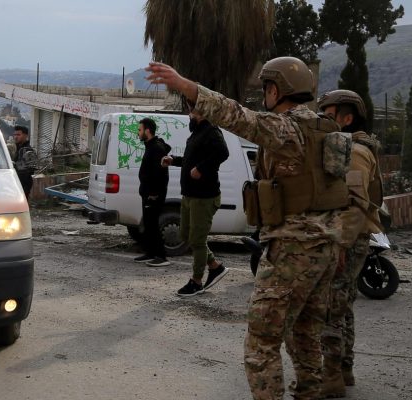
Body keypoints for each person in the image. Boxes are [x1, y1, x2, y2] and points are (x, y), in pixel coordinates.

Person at [147, 57, 349, 400]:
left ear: (275, 90)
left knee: (262, 343)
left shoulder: (287, 128)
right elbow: (336, 192)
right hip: (326, 249)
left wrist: (187, 87)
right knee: (305, 332)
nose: (264, 96)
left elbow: (239, 117)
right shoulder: (326, 129)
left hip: (292, 249)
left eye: (266, 89)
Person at [317, 89, 384, 398]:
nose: (324, 120)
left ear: (346, 117)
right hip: (351, 236)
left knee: (332, 305)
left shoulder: (354, 151)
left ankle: (330, 377)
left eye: (329, 114)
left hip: (349, 237)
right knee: (343, 306)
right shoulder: (347, 145)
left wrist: (340, 245)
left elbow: (355, 204)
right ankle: (344, 370)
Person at [161, 110, 229, 295]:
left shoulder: (212, 131)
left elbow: (223, 153)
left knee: (197, 240)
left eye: (194, 112)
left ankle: (196, 281)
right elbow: (191, 160)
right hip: (189, 195)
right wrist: (174, 160)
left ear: (203, 113)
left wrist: (201, 168)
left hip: (204, 197)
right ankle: (215, 266)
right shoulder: (197, 134)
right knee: (186, 235)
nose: (190, 115)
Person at [133, 118, 172, 267]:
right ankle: (150, 253)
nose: (138, 133)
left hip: (154, 194)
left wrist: (154, 192)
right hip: (147, 193)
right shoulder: (150, 146)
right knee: (148, 224)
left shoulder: (156, 148)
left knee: (153, 224)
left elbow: (160, 174)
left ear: (147, 130)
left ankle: (161, 257)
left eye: (140, 130)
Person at [13, 126, 37, 199]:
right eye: (15, 135)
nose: (16, 137)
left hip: (23, 183)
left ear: (26, 136)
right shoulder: (18, 147)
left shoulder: (28, 150)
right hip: (16, 182)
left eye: (18, 135)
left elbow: (29, 170)